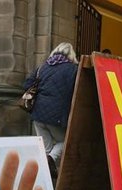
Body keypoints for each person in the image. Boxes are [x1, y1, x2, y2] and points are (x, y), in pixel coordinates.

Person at [23, 42, 78, 179]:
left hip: (37, 113)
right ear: (71, 54)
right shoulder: (73, 69)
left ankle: (42, 178)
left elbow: (27, 85)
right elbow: (76, 92)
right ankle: (50, 161)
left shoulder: (42, 67)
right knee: (65, 141)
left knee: (45, 148)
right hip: (56, 115)